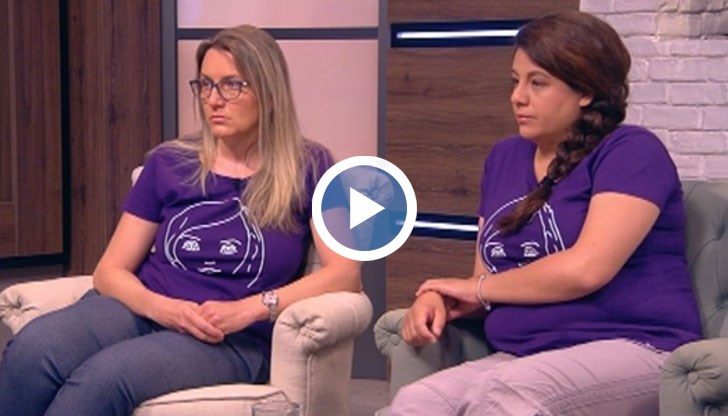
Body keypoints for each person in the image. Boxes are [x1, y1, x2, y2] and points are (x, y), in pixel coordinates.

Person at [0, 24, 361, 416]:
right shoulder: (169, 161)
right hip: (145, 309)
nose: (213, 100)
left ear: (268, 92)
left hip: (231, 337)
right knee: (34, 348)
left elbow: (345, 274)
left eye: (231, 85)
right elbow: (109, 271)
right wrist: (163, 309)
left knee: (103, 380)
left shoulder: (312, 166)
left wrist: (250, 308)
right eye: (205, 85)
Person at [387, 11, 701, 416]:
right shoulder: (504, 157)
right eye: (515, 81)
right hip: (526, 356)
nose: (517, 97)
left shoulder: (632, 152)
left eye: (537, 83)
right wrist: (440, 297)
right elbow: (488, 277)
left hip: (636, 346)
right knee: (416, 402)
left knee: (508, 394)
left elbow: (586, 270)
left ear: (585, 90)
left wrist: (476, 289)